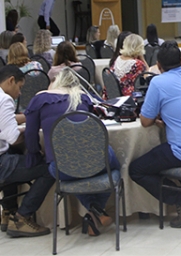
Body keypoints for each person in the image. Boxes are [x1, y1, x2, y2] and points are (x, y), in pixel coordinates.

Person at [24, 68, 119, 236]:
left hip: (62, 168)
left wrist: (35, 155)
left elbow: (30, 136)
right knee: (113, 167)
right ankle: (96, 210)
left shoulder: (39, 99)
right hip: (95, 162)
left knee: (71, 167)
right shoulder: (82, 97)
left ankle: (94, 211)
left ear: (53, 82)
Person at [129, 41, 181, 228]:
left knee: (137, 169)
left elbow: (145, 121)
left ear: (158, 66)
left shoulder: (158, 82)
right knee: (162, 155)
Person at [0, 65, 54, 237]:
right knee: (50, 169)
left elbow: (8, 119)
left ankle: (8, 211)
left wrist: (31, 115)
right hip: (2, 164)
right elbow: (13, 138)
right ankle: (22, 218)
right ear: (11, 81)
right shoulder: (5, 100)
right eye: (20, 87)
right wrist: (29, 129)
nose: (20, 93)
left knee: (16, 155)